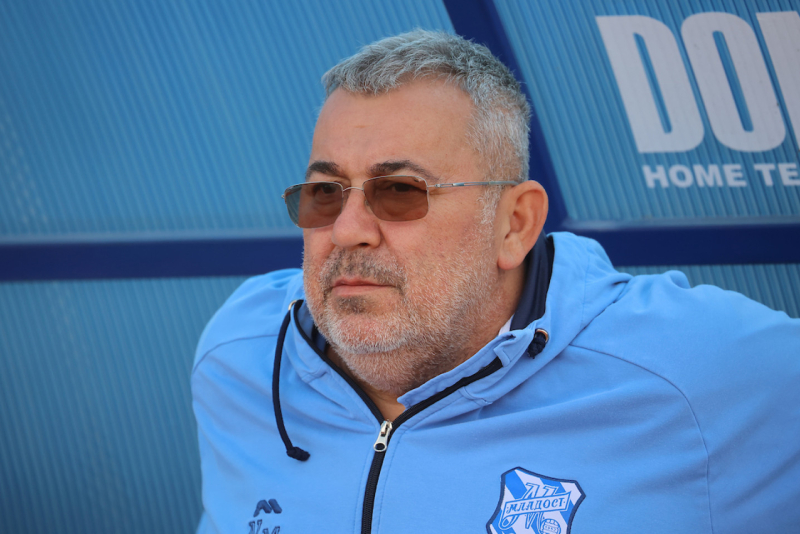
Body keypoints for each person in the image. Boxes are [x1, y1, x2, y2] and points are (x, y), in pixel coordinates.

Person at [191, 30, 800, 534]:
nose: (347, 230)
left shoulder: (692, 369)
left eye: (399, 190)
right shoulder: (241, 353)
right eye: (325, 192)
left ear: (515, 224)